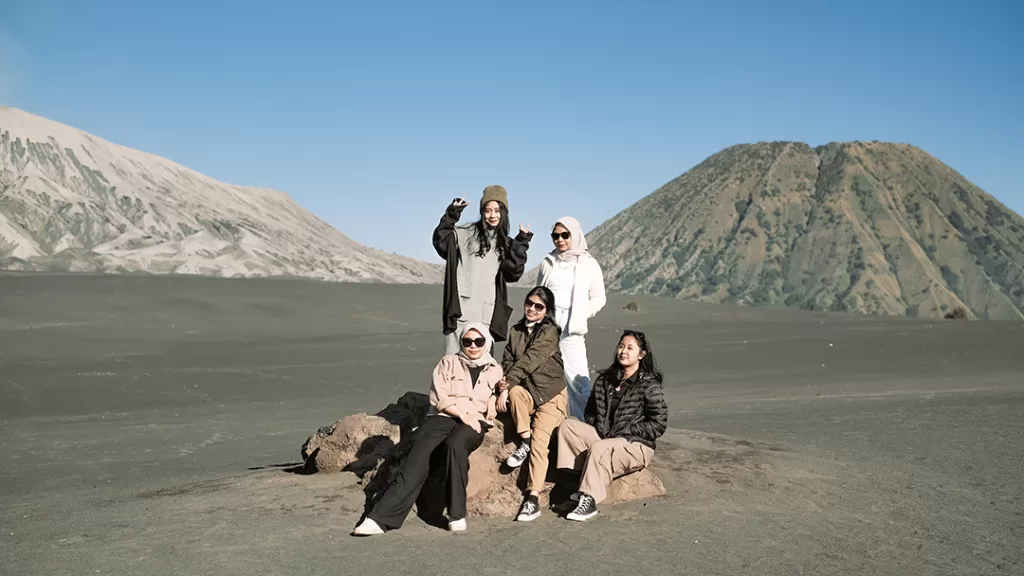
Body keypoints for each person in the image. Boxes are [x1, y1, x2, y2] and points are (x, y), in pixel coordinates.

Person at [352, 323, 502, 536]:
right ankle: (381, 518)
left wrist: (500, 396)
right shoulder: (448, 362)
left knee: (455, 445)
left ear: (487, 343)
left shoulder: (495, 369)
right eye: (467, 342)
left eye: (479, 342)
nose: (473, 346)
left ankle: (456, 513)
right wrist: (463, 414)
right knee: (418, 456)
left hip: (476, 421)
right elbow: (439, 397)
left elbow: (497, 393)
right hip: (445, 416)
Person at [555, 329, 668, 522]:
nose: (624, 351)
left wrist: (627, 432)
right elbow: (589, 411)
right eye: (621, 346)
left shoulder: (649, 385)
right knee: (568, 426)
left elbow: (659, 424)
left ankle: (589, 500)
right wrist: (597, 425)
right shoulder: (605, 380)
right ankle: (579, 480)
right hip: (606, 438)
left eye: (630, 348)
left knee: (601, 448)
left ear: (641, 354)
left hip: (636, 444)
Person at [495, 286, 567, 522]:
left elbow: (531, 360)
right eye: (529, 303)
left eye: (539, 306)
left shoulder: (549, 333)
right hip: (528, 392)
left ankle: (532, 499)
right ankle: (523, 442)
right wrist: (506, 388)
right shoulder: (516, 330)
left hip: (550, 395)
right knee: (515, 393)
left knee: (540, 443)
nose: (532, 309)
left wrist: (506, 386)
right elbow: (507, 359)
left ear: (547, 311)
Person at [432, 185, 533, 354]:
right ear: (482, 212)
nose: (492, 215)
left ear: (504, 212)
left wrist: (521, 242)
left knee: (484, 369)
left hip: (487, 314)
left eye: (497, 210)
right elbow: (441, 242)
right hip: (461, 313)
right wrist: (453, 213)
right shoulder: (465, 233)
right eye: (487, 210)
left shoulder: (506, 244)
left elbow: (513, 273)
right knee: (453, 366)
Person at [535, 216, 606, 420]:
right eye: (555, 236)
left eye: (565, 235)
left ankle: (582, 428)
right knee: (543, 377)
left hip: (572, 329)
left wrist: (582, 314)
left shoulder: (588, 264)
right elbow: (539, 292)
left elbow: (599, 298)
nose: (560, 240)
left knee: (577, 382)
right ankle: (546, 426)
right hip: (546, 327)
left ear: (574, 235)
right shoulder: (548, 262)